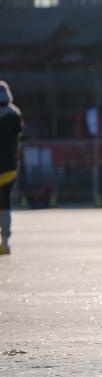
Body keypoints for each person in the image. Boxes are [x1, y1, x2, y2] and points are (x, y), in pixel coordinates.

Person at [0, 81, 24, 255]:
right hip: (9, 167)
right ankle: (5, 241)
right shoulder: (14, 114)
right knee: (5, 203)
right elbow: (20, 135)